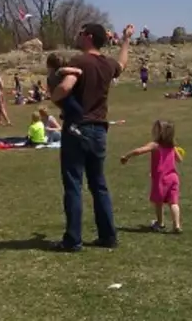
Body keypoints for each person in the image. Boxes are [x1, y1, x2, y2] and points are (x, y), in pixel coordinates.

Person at [48, 22, 134, 252]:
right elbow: (122, 64)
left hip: (77, 128)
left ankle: (73, 240)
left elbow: (66, 88)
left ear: (87, 36)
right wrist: (126, 39)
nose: (77, 36)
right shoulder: (106, 64)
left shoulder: (79, 61)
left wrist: (53, 97)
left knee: (74, 185)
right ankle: (108, 236)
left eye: (79, 33)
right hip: (99, 130)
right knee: (99, 185)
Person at [120, 120, 182, 234]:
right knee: (173, 202)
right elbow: (179, 159)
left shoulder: (155, 145)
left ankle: (160, 223)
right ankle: (177, 225)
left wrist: (126, 156)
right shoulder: (172, 146)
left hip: (161, 179)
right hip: (173, 177)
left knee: (158, 202)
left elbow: (139, 151)